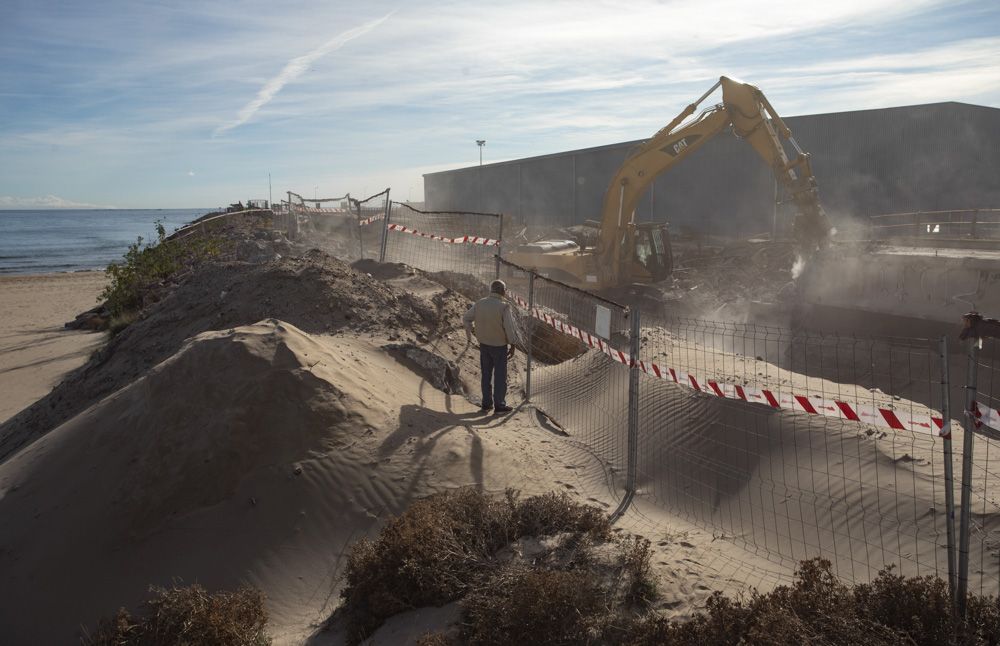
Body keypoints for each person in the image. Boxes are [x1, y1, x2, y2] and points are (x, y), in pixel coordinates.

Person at [463, 279, 520, 413]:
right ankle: (499, 405)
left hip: (484, 345)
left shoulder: (480, 303)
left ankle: (486, 404)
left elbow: (466, 318)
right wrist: (513, 345)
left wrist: (472, 330)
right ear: (502, 291)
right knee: (500, 376)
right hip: (499, 347)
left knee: (486, 375)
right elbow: (509, 328)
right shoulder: (504, 306)